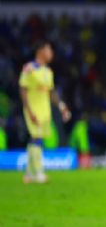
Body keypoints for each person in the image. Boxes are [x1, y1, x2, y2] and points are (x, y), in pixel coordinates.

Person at [19, 40, 71, 184]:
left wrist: (61, 106)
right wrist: (29, 110)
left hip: (45, 111)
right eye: (49, 50)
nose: (51, 53)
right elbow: (23, 89)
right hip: (33, 109)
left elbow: (51, 92)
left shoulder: (48, 72)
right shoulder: (29, 68)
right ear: (41, 51)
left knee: (36, 139)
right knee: (37, 138)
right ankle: (39, 172)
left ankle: (28, 173)